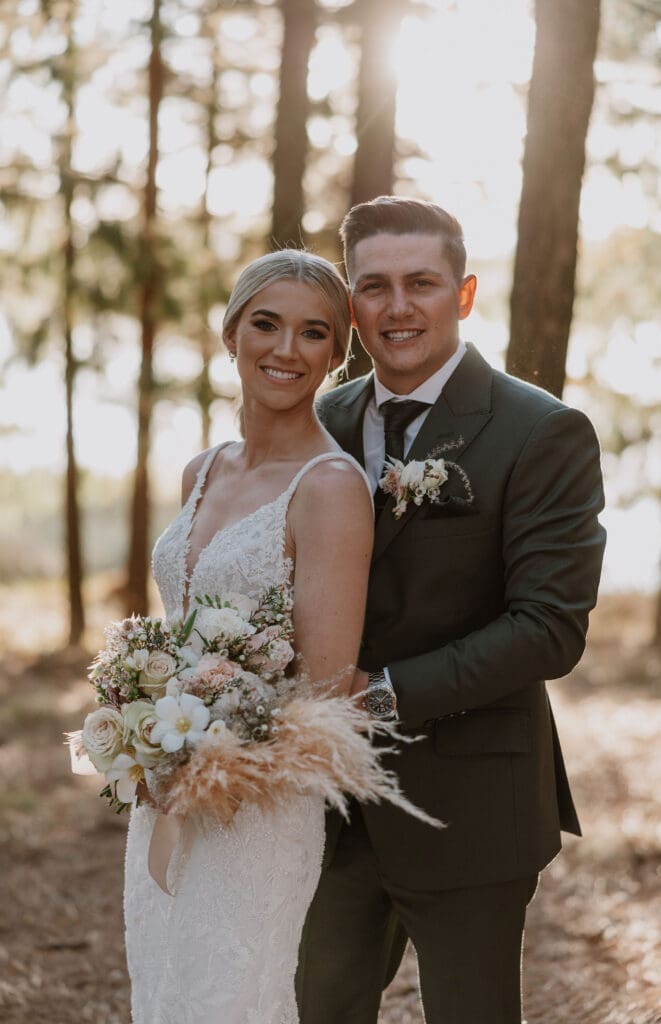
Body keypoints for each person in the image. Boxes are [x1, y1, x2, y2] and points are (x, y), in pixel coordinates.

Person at [296, 197, 606, 1024]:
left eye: (421, 283)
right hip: (326, 807)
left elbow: (549, 626)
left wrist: (380, 695)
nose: (397, 307)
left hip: (471, 796)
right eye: (374, 287)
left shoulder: (541, 430)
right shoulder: (315, 423)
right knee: (311, 1007)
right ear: (350, 302)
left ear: (462, 295)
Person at [123, 249, 375, 1024]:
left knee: (227, 997)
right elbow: (175, 631)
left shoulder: (330, 489)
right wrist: (145, 723)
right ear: (230, 333)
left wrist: (216, 751)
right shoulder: (202, 468)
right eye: (265, 324)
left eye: (312, 333)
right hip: (162, 786)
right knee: (162, 985)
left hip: (255, 811)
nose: (285, 349)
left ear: (335, 355)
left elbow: (327, 691)